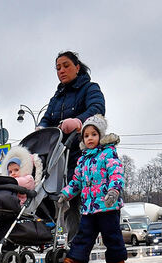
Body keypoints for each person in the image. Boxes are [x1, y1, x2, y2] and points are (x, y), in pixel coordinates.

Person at [38, 51, 106, 240]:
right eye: (58, 68)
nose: (61, 70)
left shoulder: (90, 88)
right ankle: (73, 243)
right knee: (63, 200)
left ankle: (82, 242)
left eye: (66, 65)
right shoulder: (57, 97)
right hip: (60, 157)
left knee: (82, 200)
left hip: (84, 155)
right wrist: (42, 127)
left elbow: (97, 108)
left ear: (77, 67)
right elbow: (47, 117)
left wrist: (78, 121)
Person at [58, 115, 127, 263]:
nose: (90, 138)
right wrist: (65, 194)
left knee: (111, 234)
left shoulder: (108, 153)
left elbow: (116, 173)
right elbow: (76, 182)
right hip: (89, 207)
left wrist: (113, 191)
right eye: (86, 135)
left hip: (107, 204)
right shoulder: (82, 160)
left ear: (100, 136)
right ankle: (76, 259)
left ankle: (116, 261)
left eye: (93, 134)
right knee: (84, 234)